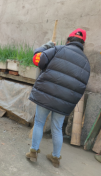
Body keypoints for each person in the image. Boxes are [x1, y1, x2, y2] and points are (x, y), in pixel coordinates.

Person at [26, 28, 90, 167]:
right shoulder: (86, 63)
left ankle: (33, 152)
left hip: (45, 95)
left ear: (68, 40)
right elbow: (81, 87)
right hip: (64, 103)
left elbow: (37, 59)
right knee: (57, 127)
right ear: (83, 44)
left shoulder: (58, 49)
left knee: (39, 123)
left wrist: (47, 46)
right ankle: (55, 158)